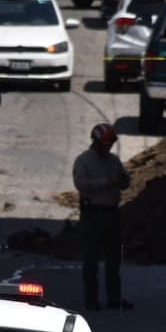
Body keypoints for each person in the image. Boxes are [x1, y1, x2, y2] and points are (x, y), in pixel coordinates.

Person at [72, 123, 133, 311]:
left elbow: (124, 181)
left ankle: (114, 298)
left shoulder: (113, 160)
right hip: (93, 214)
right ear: (96, 142)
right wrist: (107, 182)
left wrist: (123, 181)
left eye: (110, 145)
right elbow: (81, 184)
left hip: (112, 214)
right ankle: (91, 300)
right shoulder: (83, 161)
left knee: (114, 259)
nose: (108, 148)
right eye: (105, 144)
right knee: (91, 259)